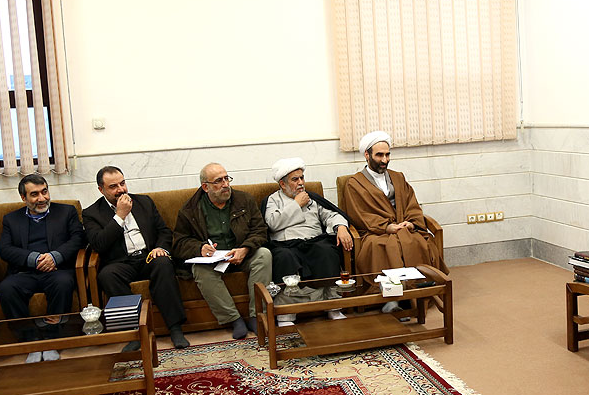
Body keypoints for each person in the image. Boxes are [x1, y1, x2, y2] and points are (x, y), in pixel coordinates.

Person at [83, 166, 189, 352]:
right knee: (107, 275)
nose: (121, 189)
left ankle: (175, 328)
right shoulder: (92, 213)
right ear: (101, 189)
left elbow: (164, 231)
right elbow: (99, 244)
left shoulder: (144, 202)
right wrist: (120, 216)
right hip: (120, 262)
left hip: (149, 256)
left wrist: (160, 248)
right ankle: (134, 332)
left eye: (122, 183)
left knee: (163, 263)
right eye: (113, 186)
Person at [172, 163, 271, 340]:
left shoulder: (244, 200)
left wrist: (245, 248)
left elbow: (260, 230)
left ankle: (257, 315)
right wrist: (199, 248)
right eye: (219, 181)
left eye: (227, 178)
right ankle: (234, 319)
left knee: (264, 255)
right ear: (205, 187)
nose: (225, 184)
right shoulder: (190, 210)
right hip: (213, 261)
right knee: (199, 269)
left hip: (241, 254)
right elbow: (179, 243)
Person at [0, 173, 86, 363]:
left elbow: (78, 238)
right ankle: (31, 342)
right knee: (6, 288)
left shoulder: (66, 212)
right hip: (25, 272)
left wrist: (55, 256)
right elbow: (5, 249)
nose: (42, 198)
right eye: (35, 194)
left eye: (44, 192)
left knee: (63, 283)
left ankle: (52, 340)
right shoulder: (11, 219)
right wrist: (34, 259)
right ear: (24, 198)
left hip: (57, 270)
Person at [342, 130, 447, 275]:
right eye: (379, 155)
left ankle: (421, 289)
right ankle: (392, 292)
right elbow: (360, 214)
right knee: (384, 247)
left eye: (387, 154)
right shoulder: (354, 183)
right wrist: (387, 227)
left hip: (404, 228)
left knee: (420, 242)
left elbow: (412, 204)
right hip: (375, 233)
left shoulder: (398, 177)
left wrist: (411, 223)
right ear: (367, 155)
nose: (385, 160)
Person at [264, 157, 353, 326]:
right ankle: (287, 313)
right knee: (284, 257)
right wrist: (296, 204)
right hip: (287, 245)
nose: (300, 183)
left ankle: (332, 306)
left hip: (313, 242)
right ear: (282, 184)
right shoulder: (273, 200)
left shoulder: (312, 198)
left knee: (327, 251)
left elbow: (331, 214)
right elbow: (272, 223)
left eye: (302, 178)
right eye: (295, 179)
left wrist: (341, 226)